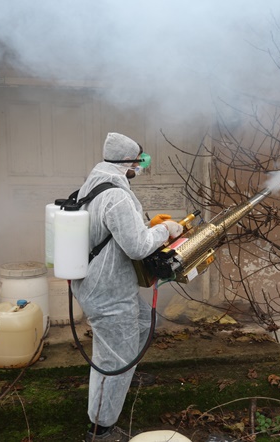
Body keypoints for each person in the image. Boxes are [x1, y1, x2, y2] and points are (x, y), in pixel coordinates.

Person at [71, 132, 183, 442]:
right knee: (112, 359)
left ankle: (125, 374)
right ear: (129, 161)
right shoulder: (116, 195)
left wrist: (147, 225)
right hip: (106, 291)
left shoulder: (96, 183)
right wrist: (165, 229)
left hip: (103, 284)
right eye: (141, 161)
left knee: (145, 322)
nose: (142, 167)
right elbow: (136, 247)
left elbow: (117, 233)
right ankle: (100, 428)